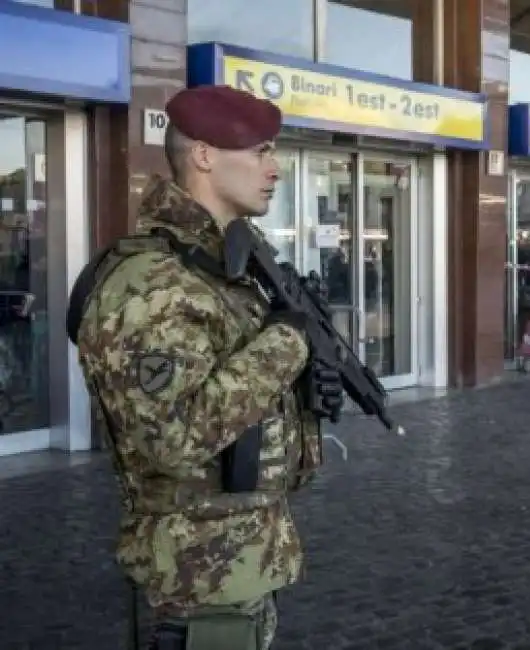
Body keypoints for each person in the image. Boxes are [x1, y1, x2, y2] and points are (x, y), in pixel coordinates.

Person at [70, 86, 341, 650]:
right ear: (204, 155)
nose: (276, 169)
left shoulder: (225, 267)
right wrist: (288, 341)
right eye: (262, 152)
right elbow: (172, 437)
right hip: (196, 579)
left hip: (240, 562)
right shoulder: (154, 282)